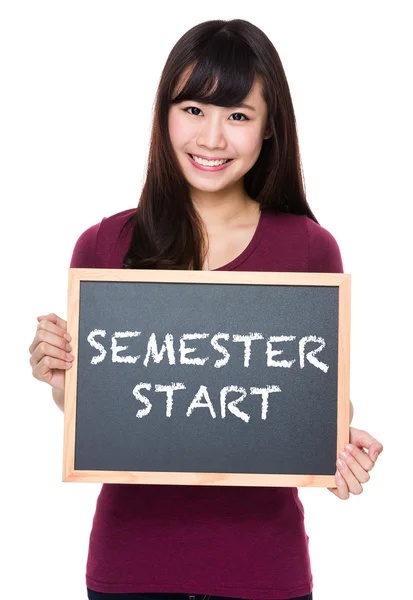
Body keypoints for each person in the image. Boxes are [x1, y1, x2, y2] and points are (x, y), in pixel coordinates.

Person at [28, 18, 383, 600]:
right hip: (131, 566)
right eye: (193, 109)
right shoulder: (104, 247)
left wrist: (340, 447)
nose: (212, 138)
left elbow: (309, 394)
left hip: (263, 569)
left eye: (238, 116)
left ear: (269, 130)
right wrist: (61, 379)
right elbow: (101, 411)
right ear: (165, 114)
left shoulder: (310, 249)